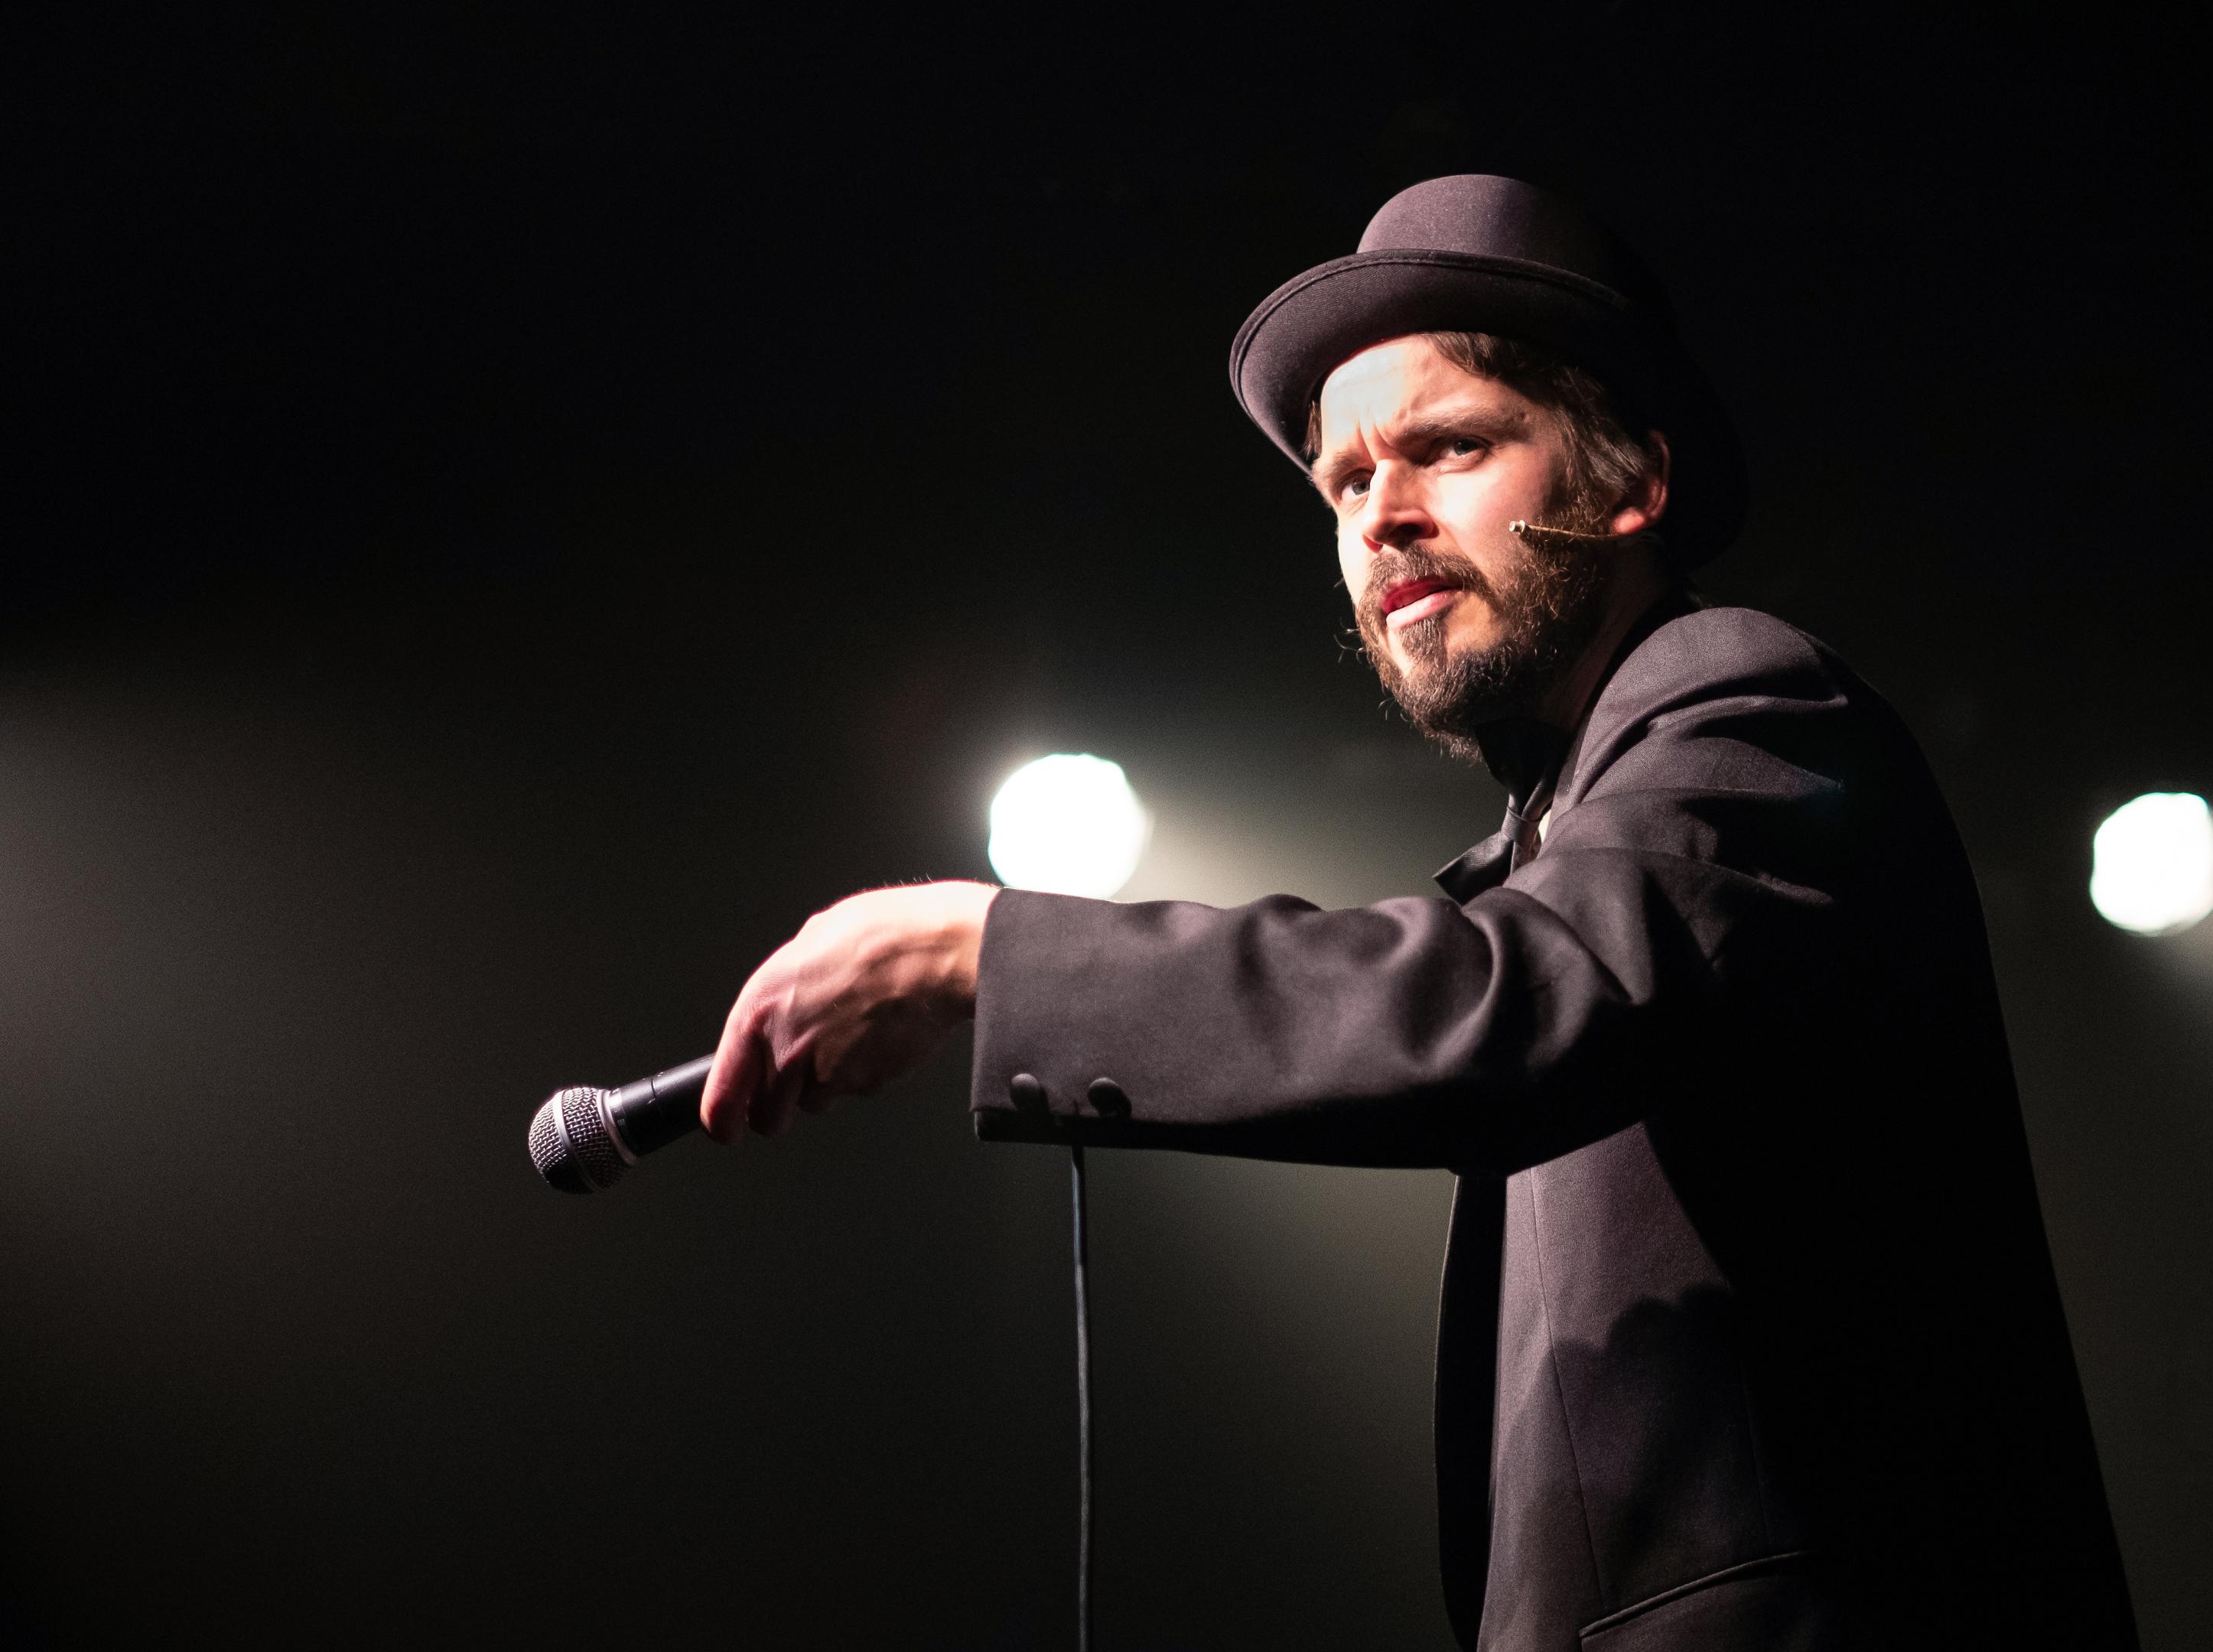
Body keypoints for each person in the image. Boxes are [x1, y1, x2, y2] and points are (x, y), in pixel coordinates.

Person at [696, 174, 2137, 1650]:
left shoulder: (1748, 696)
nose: (1381, 514)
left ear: (1632, 477)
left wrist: (987, 951)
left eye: (1448, 446)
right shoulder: (1556, 828)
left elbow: (1524, 999)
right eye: (1342, 482)